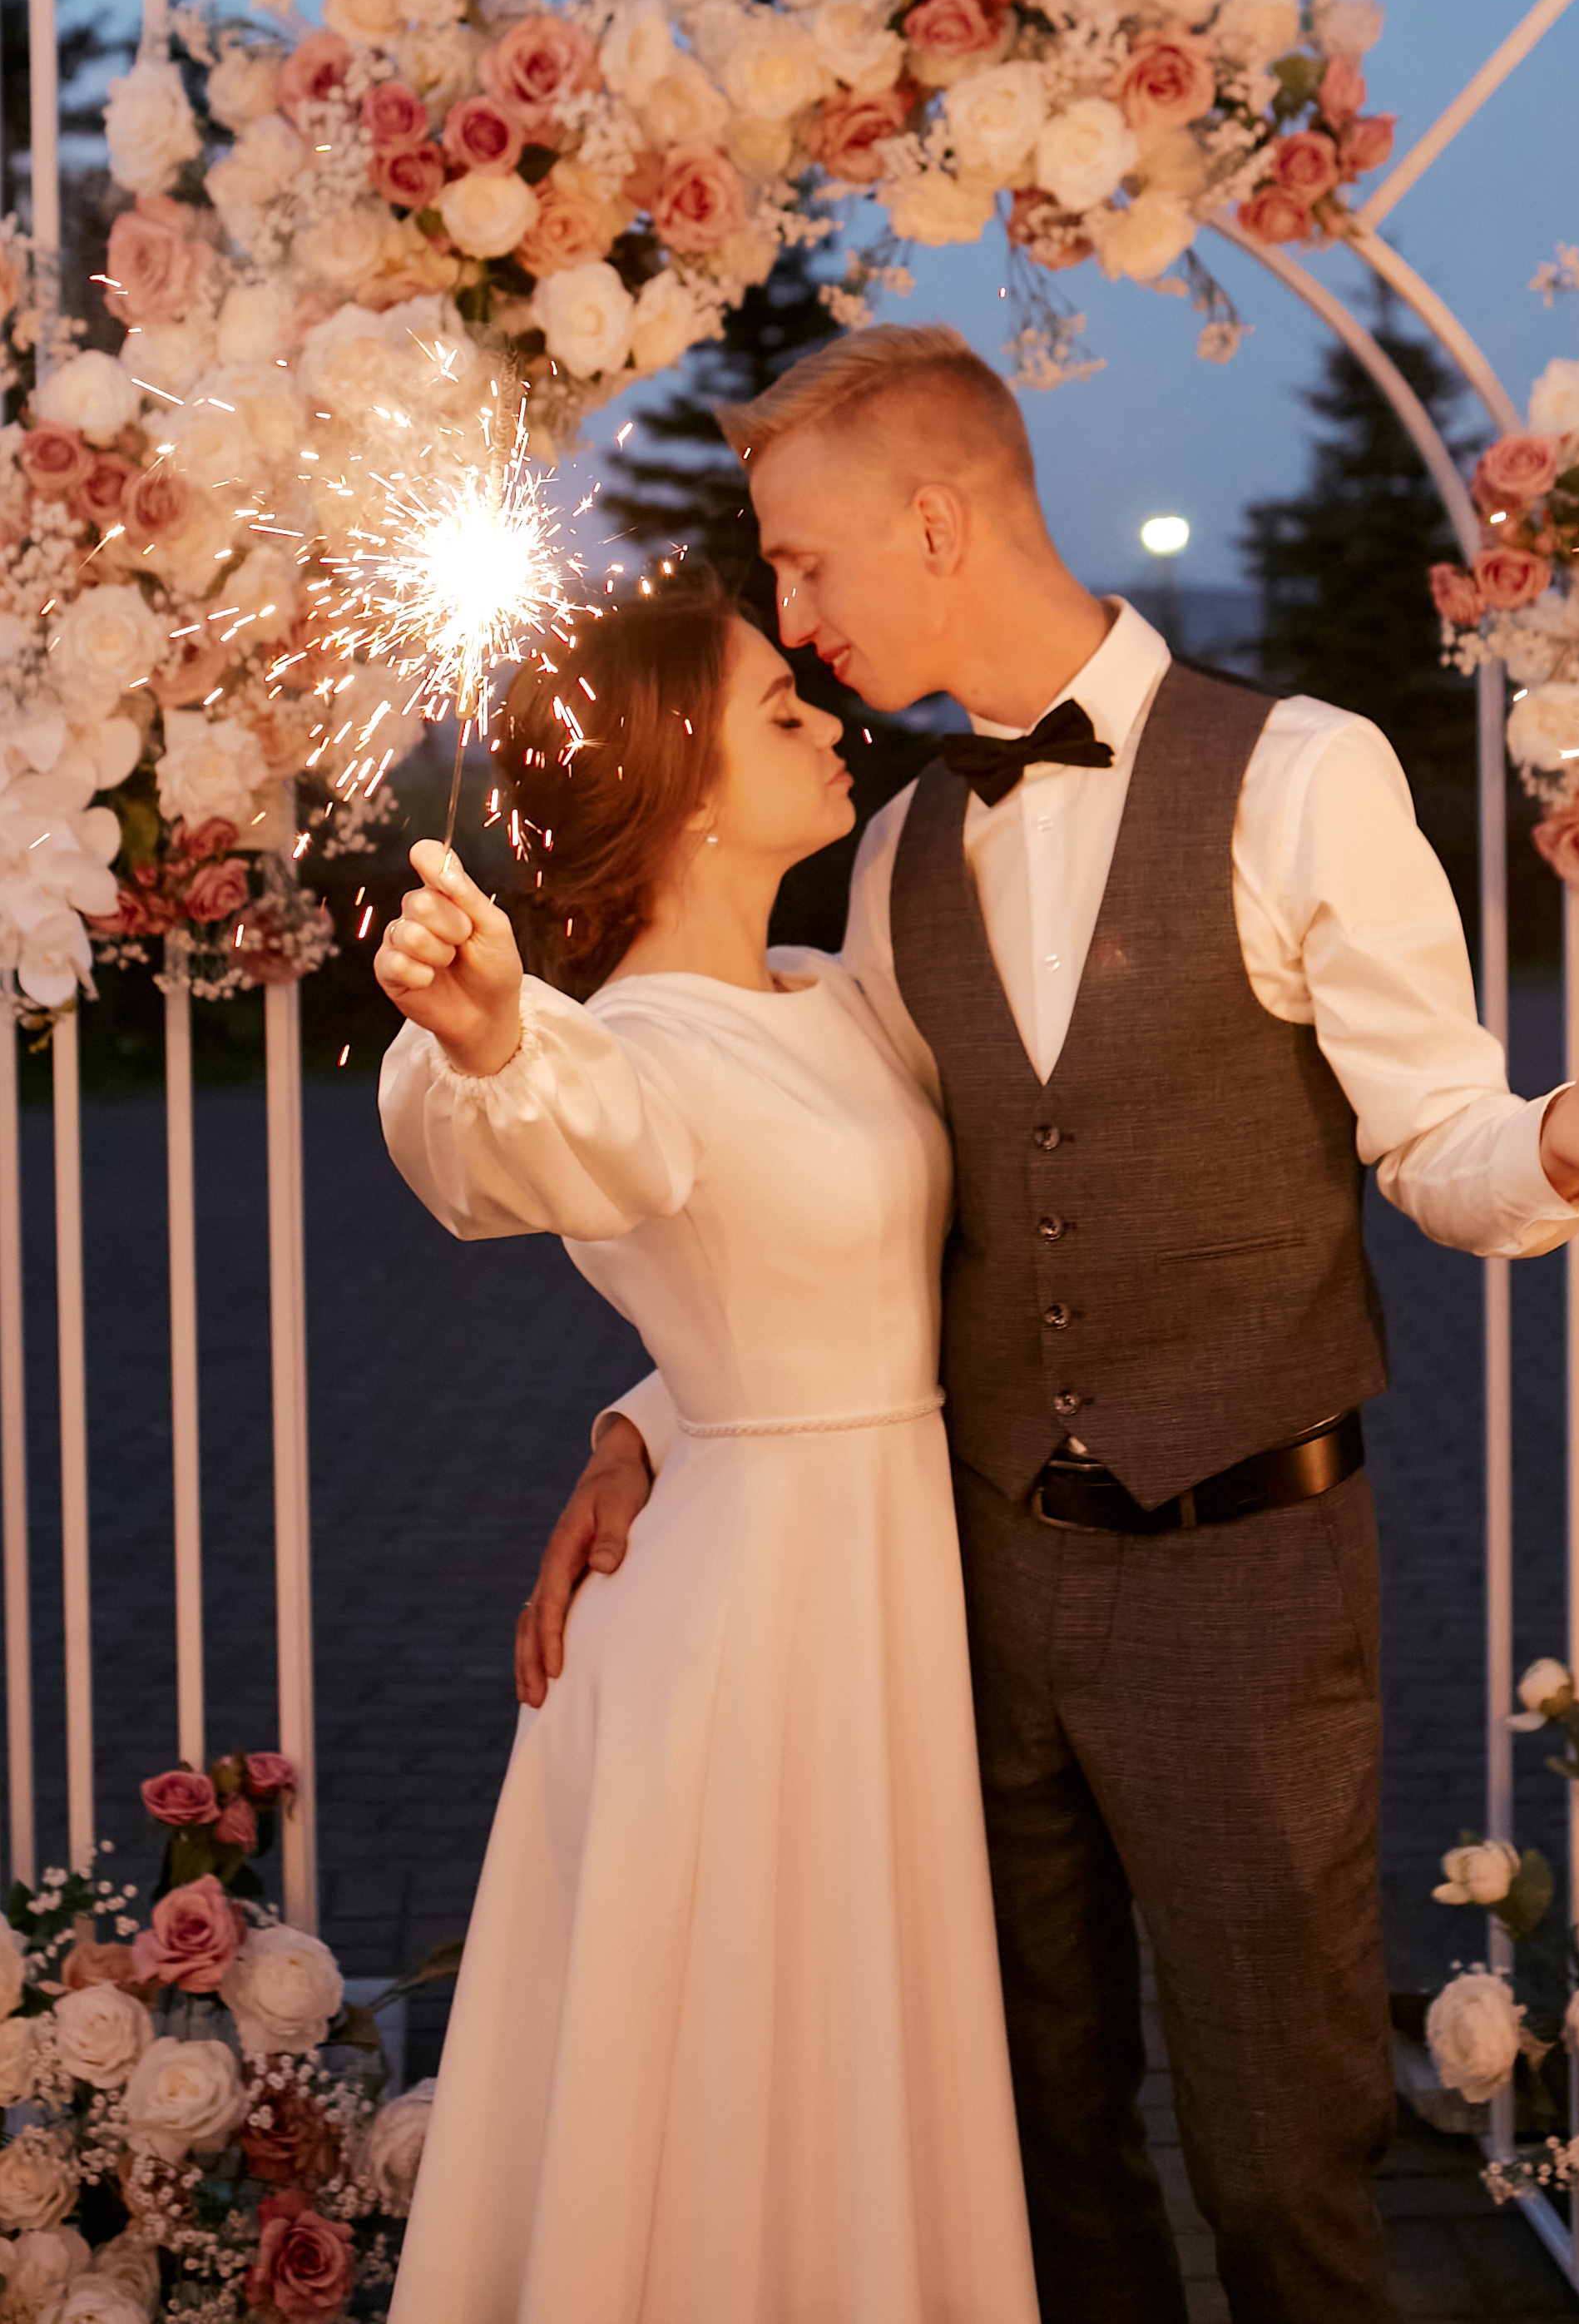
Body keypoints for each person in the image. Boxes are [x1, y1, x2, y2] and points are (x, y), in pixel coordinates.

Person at [517, 323, 1579, 2324]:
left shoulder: (1302, 776)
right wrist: (643, 1422)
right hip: (966, 1592)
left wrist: (1569, 1133)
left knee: (1282, 2159)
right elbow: (853, 1231)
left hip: (1245, 1581)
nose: (789, 609)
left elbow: (1441, 1142)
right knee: (1036, 2146)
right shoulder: (898, 849)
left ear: (933, 520)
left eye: (805, 561)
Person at [373, 572, 1042, 2324]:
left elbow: (838, 1294)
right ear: (673, 778)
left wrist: (638, 1420)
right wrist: (484, 1037)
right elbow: (526, 1135)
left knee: (851, 2064)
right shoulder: (619, 1043)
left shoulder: (834, 990)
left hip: (866, 1582)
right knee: (745, 2063)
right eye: (775, 711)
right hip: (756, 1639)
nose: (828, 719)